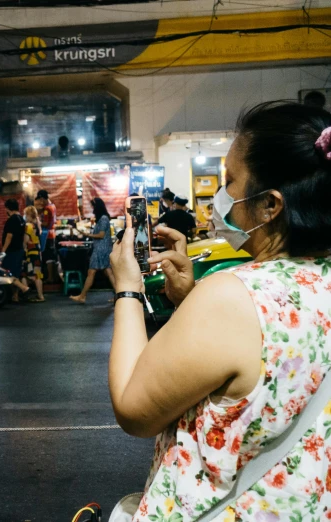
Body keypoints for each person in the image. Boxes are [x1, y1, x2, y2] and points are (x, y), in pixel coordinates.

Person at [108, 101, 331, 521]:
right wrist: (188, 303)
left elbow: (133, 409)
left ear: (271, 206)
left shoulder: (233, 296)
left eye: (230, 180)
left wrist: (128, 289)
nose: (221, 194)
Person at [69, 197, 116, 304]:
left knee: (91, 272)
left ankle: (82, 296)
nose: (93, 209)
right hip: (104, 249)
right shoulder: (103, 218)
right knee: (109, 273)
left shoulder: (103, 219)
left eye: (93, 207)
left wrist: (87, 234)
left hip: (101, 249)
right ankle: (118, 296)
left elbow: (101, 235)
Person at [0, 199, 30, 303]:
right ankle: (15, 296)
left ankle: (24, 288)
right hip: (19, 249)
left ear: (8, 208)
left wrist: (3, 250)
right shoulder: (21, 219)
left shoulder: (12, 220)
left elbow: (9, 236)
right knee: (16, 273)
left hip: (11, 251)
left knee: (7, 273)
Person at [22, 206, 45, 303]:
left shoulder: (28, 226)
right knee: (37, 275)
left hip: (30, 253)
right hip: (37, 252)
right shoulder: (37, 224)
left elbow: (26, 241)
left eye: (25, 214)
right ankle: (40, 296)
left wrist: (23, 249)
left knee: (28, 274)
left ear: (27, 215)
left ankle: (29, 295)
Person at [34, 190, 58, 279]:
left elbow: (46, 223)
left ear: (42, 198)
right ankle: (52, 277)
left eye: (40, 200)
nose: (40, 202)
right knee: (51, 256)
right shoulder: (53, 206)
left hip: (47, 235)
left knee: (48, 257)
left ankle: (50, 278)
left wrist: (38, 222)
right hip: (52, 234)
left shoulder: (47, 208)